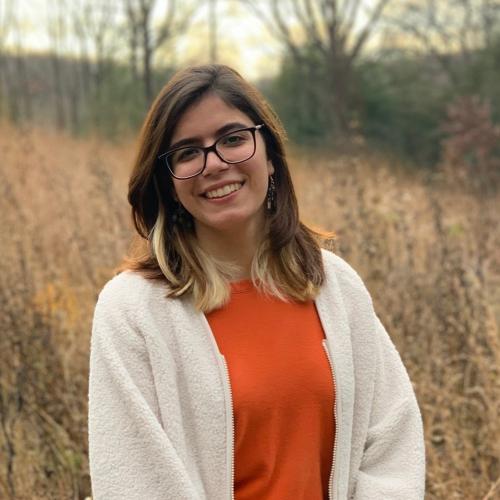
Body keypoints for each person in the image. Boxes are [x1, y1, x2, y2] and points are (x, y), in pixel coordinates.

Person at [88, 64, 425, 500]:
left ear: (269, 154)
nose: (214, 164)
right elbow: (134, 481)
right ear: (167, 184)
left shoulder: (334, 287)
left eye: (232, 139)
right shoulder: (132, 310)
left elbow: (392, 443)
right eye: (187, 152)